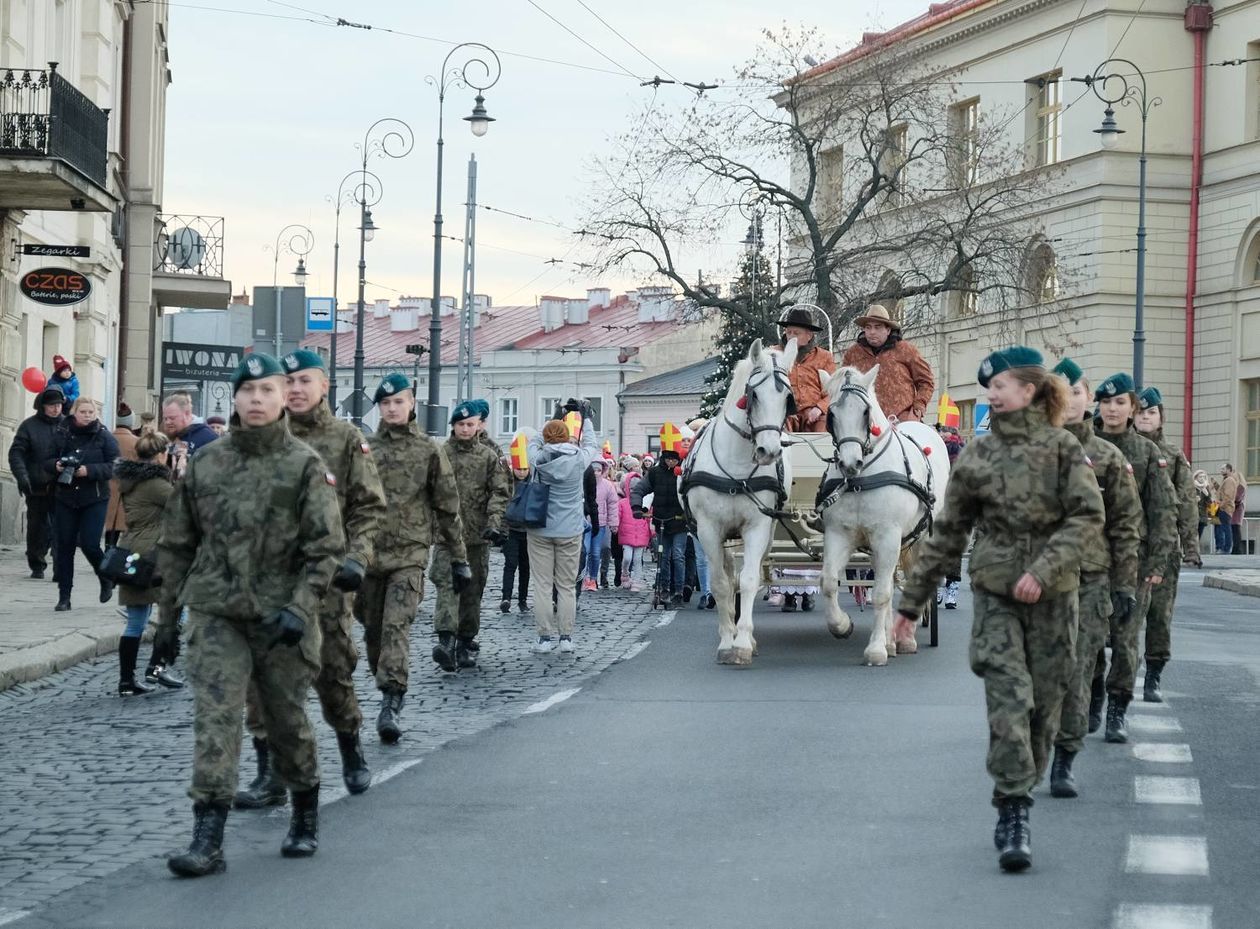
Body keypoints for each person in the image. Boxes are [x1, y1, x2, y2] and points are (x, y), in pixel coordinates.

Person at [896, 346, 1104, 872]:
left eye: (1000, 385)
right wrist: (910, 603)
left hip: (1055, 600)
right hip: (994, 597)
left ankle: (1026, 782)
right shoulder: (978, 457)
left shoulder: (1062, 449)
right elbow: (946, 535)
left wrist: (1045, 569)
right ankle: (1014, 809)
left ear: (1029, 390)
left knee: (1043, 706)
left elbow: (1086, 517)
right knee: (1009, 702)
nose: (990, 393)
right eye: (988, 386)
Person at [158, 353, 344, 877]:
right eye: (248, 391)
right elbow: (177, 545)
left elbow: (326, 547)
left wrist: (301, 607)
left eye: (268, 390)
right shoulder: (209, 463)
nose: (257, 400)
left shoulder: (304, 464)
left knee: (286, 721)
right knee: (215, 719)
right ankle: (208, 837)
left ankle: (305, 811)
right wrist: (167, 622)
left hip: (282, 617)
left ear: (283, 397)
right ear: (234, 399)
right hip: (218, 611)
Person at [235, 350, 386, 807]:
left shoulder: (344, 438)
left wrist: (357, 558)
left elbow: (369, 507)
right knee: (260, 683)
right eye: (289, 382)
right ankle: (270, 775)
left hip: (326, 582)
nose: (296, 389)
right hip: (265, 583)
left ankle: (350, 745)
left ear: (324, 386)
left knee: (333, 671)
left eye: (305, 381)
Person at [354, 373, 469, 742]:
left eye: (398, 402)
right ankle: (385, 681)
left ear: (411, 404)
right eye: (385, 404)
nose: (391, 408)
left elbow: (448, 507)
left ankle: (391, 701)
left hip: (410, 555)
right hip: (368, 556)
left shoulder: (429, 451)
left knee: (395, 625)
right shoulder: (366, 449)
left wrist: (459, 558)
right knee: (373, 630)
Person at [1046, 360, 1142, 799]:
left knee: (1077, 665)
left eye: (1077, 392)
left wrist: (1124, 585)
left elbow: (1126, 526)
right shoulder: (1029, 450)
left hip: (1089, 578)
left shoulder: (1107, 457)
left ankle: (1064, 757)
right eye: (1059, 391)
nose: (1068, 400)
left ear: (1088, 401)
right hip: (1036, 578)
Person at [1090, 373, 1178, 743]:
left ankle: (1117, 709)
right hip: (1089, 559)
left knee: (1125, 639)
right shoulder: (1084, 447)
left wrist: (1157, 564)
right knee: (1090, 639)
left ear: (1132, 408)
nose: (1112, 409)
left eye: (1120, 403)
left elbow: (1163, 511)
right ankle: (1093, 695)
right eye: (1106, 402)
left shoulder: (1146, 452)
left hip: (1135, 561)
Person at [1133, 386, 1201, 702]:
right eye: (1141, 413)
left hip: (1164, 550)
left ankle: (1154, 677)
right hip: (1129, 547)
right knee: (1126, 618)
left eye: (1151, 413)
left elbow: (1186, 500)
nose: (1146, 418)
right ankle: (1119, 679)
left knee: (1160, 617)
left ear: (1161, 417)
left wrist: (1191, 545)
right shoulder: (1121, 450)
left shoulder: (1172, 456)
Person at [431, 401, 509, 672]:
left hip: (477, 536)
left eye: (470, 424)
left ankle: (465, 643)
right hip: (446, 536)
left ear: (478, 426)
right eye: (460, 425)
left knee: (472, 592)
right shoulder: (440, 454)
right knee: (446, 587)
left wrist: (495, 523)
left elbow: (499, 492)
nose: (465, 429)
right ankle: (445, 641)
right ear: (453, 426)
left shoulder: (488, 457)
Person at [526, 403, 600, 653]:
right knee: (567, 586)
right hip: (570, 529)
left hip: (541, 528)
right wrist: (586, 418)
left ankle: (544, 639)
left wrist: (554, 417)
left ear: (546, 437)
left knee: (543, 585)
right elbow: (592, 444)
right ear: (568, 436)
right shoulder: (579, 459)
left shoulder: (538, 458)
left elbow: (533, 442)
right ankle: (566, 638)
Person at [114, 430, 183, 695]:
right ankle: (156, 668)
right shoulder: (155, 483)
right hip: (155, 553)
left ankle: (126, 681)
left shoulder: (130, 479)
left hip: (132, 550)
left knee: (135, 622)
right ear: (161, 454)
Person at [48, 397, 120, 612]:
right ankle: (64, 596)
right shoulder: (61, 433)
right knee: (65, 546)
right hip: (65, 496)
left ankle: (105, 577)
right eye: (84, 411)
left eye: (91, 411)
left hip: (95, 497)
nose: (88, 415)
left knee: (89, 544)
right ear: (74, 412)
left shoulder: (104, 436)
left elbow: (115, 465)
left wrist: (89, 471)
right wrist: (56, 465)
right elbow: (45, 459)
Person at [839, 304, 935, 423]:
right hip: (864, 419)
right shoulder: (853, 354)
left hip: (902, 417)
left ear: (888, 330)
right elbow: (842, 385)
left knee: (922, 440)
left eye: (877, 327)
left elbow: (926, 381)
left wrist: (919, 405)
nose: (872, 332)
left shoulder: (906, 350)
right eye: (868, 327)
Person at [8, 385, 65, 579]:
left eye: (58, 404)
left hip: (62, 485)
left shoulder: (67, 425)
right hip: (36, 485)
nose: (56, 408)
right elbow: (16, 454)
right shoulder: (29, 426)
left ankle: (60, 564)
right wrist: (22, 476)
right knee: (37, 527)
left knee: (61, 527)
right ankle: (37, 563)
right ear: (42, 406)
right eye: (51, 405)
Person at [630, 447, 688, 605]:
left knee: (678, 555)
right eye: (668, 458)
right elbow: (639, 489)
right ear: (664, 458)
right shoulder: (655, 473)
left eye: (674, 459)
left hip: (680, 521)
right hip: (661, 521)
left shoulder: (683, 472)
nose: (671, 461)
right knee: (663, 557)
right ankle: (664, 589)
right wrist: (636, 507)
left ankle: (678, 591)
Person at [774, 306, 835, 432]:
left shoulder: (824, 357)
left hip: (815, 415)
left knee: (825, 424)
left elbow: (833, 391)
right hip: (785, 412)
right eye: (788, 332)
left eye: (796, 333)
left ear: (809, 335)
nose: (791, 336)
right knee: (777, 425)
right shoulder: (775, 354)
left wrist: (819, 408)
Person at [105, 403, 140, 547]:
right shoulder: (136, 442)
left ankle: (108, 551)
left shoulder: (106, 438)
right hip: (127, 490)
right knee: (122, 528)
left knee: (109, 526)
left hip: (106, 488)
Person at [500, 462, 532, 614]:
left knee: (525, 567)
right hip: (511, 530)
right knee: (510, 564)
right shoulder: (507, 484)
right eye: (519, 469)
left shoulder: (533, 483)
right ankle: (506, 597)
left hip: (528, 532)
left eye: (525, 469)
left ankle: (523, 599)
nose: (522, 472)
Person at [585, 458, 618, 591]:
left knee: (596, 552)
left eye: (599, 470)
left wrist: (614, 523)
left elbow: (613, 504)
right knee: (585, 551)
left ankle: (593, 579)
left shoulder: (607, 485)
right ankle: (584, 578)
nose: (596, 473)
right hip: (585, 522)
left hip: (601, 523)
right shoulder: (584, 483)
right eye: (594, 470)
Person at [618, 470, 652, 591]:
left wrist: (651, 532)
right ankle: (625, 573)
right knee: (627, 557)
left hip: (641, 535)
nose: (633, 492)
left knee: (638, 559)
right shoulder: (622, 503)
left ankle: (637, 580)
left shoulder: (645, 503)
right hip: (627, 535)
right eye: (631, 489)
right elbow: (618, 517)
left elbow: (649, 519)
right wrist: (615, 526)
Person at [161, 392, 219, 459]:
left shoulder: (209, 438)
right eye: (165, 418)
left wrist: (189, 458)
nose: (167, 422)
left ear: (187, 414)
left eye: (172, 418)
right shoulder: (169, 436)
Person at [1218, 463, 1247, 554]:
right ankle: (1235, 549)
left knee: (1235, 528)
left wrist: (1224, 503)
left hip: (1237, 509)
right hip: (1233, 508)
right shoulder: (1234, 484)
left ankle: (1236, 549)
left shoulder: (1241, 486)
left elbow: (1237, 498)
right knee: (1232, 528)